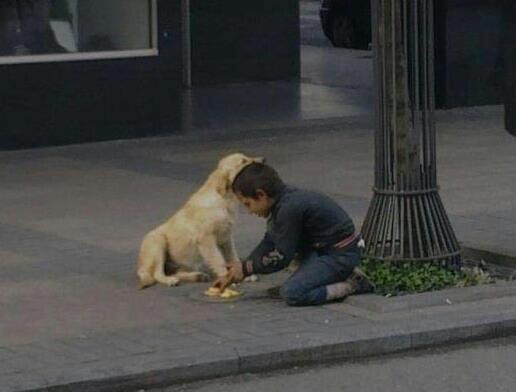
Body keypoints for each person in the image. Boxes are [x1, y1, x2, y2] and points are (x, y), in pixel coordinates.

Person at [214, 162, 373, 306]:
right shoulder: (282, 202)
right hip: (321, 251)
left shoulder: (288, 208)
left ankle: (352, 284)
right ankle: (314, 278)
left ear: (261, 195)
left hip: (339, 255)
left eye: (248, 204)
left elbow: (282, 256)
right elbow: (270, 241)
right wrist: (245, 266)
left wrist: (246, 268)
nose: (249, 211)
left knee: (293, 293)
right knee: (290, 274)